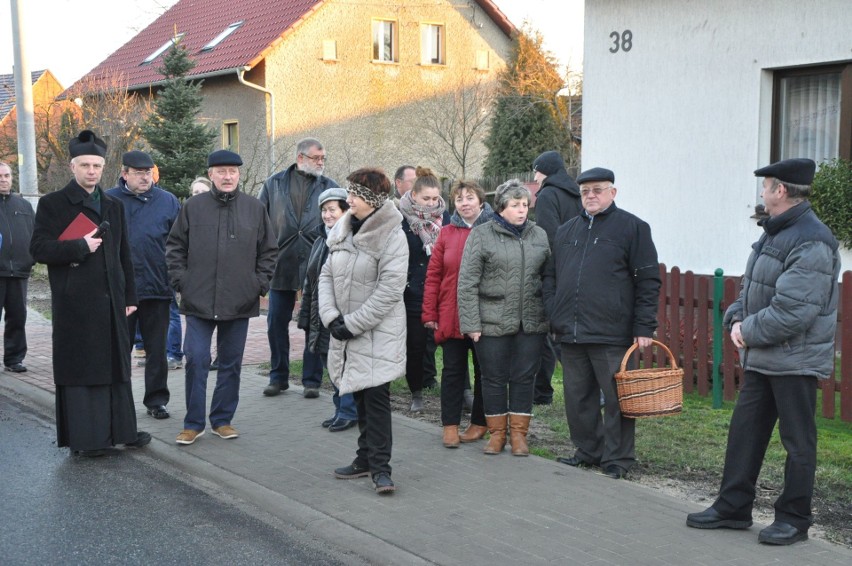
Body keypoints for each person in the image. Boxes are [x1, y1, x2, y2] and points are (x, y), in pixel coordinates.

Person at [686, 158, 841, 546]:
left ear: (781, 191)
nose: (762, 193)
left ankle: (794, 519)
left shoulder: (812, 239)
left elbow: (795, 311)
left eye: (766, 186)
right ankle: (733, 507)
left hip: (795, 360)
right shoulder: (775, 231)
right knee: (745, 433)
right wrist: (737, 316)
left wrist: (746, 331)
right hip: (764, 357)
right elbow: (753, 287)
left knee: (798, 442)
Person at [30, 130, 150, 456]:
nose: (92, 171)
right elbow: (39, 249)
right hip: (75, 304)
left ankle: (122, 431)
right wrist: (79, 247)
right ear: (72, 167)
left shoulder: (113, 205)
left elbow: (125, 254)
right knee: (83, 370)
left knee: (115, 368)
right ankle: (87, 439)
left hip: (112, 300)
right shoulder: (52, 204)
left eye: (97, 165)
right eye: (85, 165)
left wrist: (130, 297)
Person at [542, 167, 660, 479]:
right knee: (578, 398)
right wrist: (554, 311)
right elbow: (551, 276)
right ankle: (588, 450)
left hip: (613, 333)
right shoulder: (566, 231)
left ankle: (617, 459)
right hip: (570, 330)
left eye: (597, 190)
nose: (590, 196)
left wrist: (644, 326)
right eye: (585, 191)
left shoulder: (633, 228)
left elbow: (648, 281)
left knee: (619, 399)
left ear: (612, 193)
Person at [166, 150, 276, 445]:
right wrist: (182, 281)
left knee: (231, 363)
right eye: (221, 171)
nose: (228, 177)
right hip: (198, 299)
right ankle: (193, 423)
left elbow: (269, 251)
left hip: (240, 300)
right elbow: (175, 246)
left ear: (239, 175)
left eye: (233, 171)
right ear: (211, 174)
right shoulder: (193, 207)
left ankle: (222, 420)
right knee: (196, 359)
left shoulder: (255, 208)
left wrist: (258, 284)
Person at [320, 168, 408, 495]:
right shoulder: (343, 229)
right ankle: (364, 458)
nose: (348, 199)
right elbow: (326, 276)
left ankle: (381, 470)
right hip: (345, 331)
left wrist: (352, 324)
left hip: (376, 333)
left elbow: (389, 291)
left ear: (371, 199)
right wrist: (332, 319)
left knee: (376, 399)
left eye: (354, 194)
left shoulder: (392, 235)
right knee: (358, 394)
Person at [458, 179, 550, 456]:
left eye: (525, 205)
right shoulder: (482, 234)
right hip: (491, 320)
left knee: (524, 378)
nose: (522, 210)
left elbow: (549, 277)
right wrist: (471, 323)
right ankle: (497, 435)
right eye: (514, 205)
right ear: (500, 208)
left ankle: (519, 436)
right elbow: (467, 282)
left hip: (531, 321)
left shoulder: (539, 235)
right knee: (493, 378)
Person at [258, 138, 338, 399]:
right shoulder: (274, 183)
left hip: (317, 261)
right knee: (275, 323)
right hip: (281, 262)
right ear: (300, 157)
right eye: (317, 157)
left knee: (314, 323)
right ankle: (278, 376)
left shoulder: (330, 187)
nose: (321, 162)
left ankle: (312, 380)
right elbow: (260, 222)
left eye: (323, 157)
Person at [106, 151, 180, 420]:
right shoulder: (109, 200)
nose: (144, 178)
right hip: (121, 291)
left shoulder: (168, 201)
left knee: (157, 350)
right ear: (125, 174)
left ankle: (156, 400)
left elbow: (180, 242)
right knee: (119, 348)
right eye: (138, 173)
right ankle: (117, 400)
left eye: (148, 173)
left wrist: (176, 276)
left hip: (158, 288)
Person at [423, 180, 493, 447]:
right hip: (451, 314)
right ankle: (450, 425)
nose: (464, 203)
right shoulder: (447, 233)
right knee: (452, 371)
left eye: (469, 198)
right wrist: (430, 312)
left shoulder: (494, 230)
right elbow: (433, 276)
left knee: (484, 372)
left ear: (480, 201)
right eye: (459, 199)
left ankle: (479, 423)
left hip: (485, 314)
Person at [296, 187, 358, 432]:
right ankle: (340, 408)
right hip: (320, 314)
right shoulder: (321, 239)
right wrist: (305, 317)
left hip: (341, 315)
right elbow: (311, 281)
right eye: (323, 210)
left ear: (345, 210)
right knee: (330, 364)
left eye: (332, 210)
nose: (327, 215)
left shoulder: (351, 239)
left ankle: (349, 411)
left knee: (343, 364)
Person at [531, 150, 582, 405]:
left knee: (551, 330)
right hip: (577, 268)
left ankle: (543, 392)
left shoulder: (548, 195)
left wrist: (545, 271)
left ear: (546, 171)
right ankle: (544, 392)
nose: (535, 176)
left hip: (555, 270)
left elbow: (547, 237)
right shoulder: (575, 194)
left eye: (537, 171)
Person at [398, 167, 449, 411]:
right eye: (425, 199)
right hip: (413, 289)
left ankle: (461, 391)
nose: (431, 204)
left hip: (442, 289)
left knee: (450, 342)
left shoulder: (446, 218)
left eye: (434, 199)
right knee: (416, 344)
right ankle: (416, 392)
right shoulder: (400, 219)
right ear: (414, 195)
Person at [166, 177, 215, 371]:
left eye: (203, 192)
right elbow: (175, 248)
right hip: (193, 285)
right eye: (195, 193)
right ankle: (181, 355)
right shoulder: (185, 217)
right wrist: (181, 280)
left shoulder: (219, 216)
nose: (199, 197)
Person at [0, 162, 35, 373]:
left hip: (19, 271)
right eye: (0, 176)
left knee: (17, 316)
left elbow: (34, 234)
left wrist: (31, 258)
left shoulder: (23, 206)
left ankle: (14, 359)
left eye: (7, 175)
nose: (3, 179)